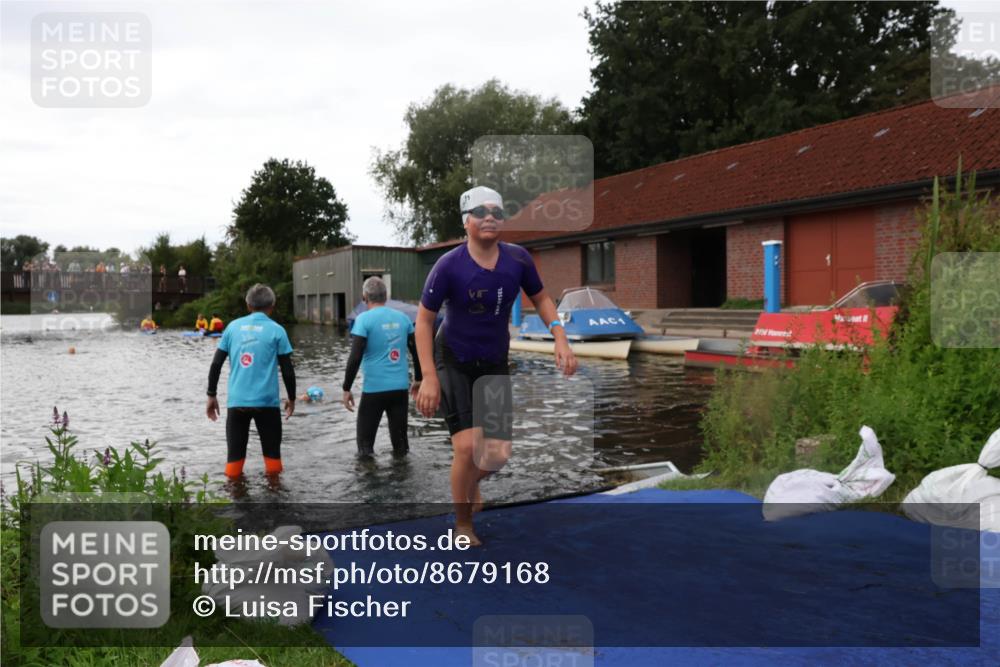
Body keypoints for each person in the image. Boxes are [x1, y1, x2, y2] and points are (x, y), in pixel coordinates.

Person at [415, 185, 578, 546]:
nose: (490, 217)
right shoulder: (448, 266)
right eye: (481, 211)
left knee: (497, 455)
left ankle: (468, 484)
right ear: (466, 221)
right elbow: (423, 322)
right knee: (467, 447)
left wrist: (560, 338)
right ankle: (463, 524)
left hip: (493, 361)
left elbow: (542, 298)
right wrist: (428, 377)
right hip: (453, 358)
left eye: (497, 212)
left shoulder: (518, 260)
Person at [206, 284, 295, 478]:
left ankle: (235, 503)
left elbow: (216, 364)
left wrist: (211, 395)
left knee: (234, 461)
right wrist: (292, 398)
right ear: (272, 306)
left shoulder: (232, 328)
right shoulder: (277, 330)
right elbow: (287, 370)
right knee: (273, 461)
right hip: (267, 403)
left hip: (237, 402)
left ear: (248, 305)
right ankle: (275, 501)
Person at [342, 277, 422, 458]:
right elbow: (416, 351)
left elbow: (355, 357)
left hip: (374, 391)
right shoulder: (404, 319)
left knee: (365, 449)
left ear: (364, 297)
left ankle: (369, 482)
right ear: (386, 297)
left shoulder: (363, 320)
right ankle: (402, 481)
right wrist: (418, 379)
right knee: (401, 447)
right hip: (400, 389)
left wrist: (346, 388)